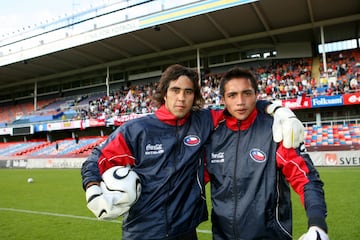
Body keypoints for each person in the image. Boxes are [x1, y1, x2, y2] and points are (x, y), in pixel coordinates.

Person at [81, 64, 305, 240]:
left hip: (186, 231)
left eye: (188, 92)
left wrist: (276, 108)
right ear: (164, 93)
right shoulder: (136, 130)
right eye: (175, 90)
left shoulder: (203, 121)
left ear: (195, 96)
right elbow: (95, 160)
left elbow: (239, 104)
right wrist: (92, 189)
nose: (181, 97)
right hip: (143, 232)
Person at [204, 67, 328, 240]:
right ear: (223, 99)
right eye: (232, 95)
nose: (240, 101)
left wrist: (317, 225)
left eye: (246, 93)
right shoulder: (213, 135)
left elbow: (306, 179)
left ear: (256, 95)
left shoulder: (276, 130)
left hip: (270, 236)